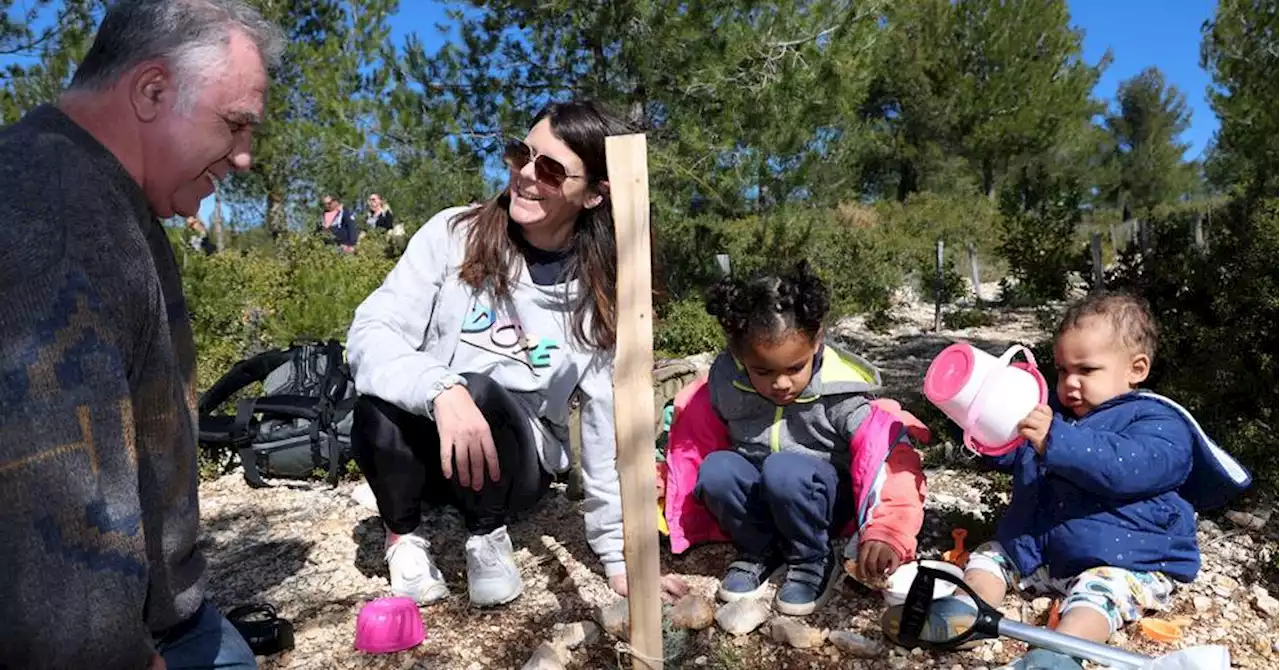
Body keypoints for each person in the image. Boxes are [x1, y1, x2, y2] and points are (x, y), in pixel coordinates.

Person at [0, 1, 282, 669]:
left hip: (162, 619)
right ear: (152, 91)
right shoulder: (58, 223)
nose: (244, 158)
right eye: (234, 124)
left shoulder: (97, 190)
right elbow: (53, 500)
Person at [346, 99, 689, 608]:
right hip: (433, 451)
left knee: (481, 390)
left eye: (551, 170)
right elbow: (372, 329)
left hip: (513, 468)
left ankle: (487, 537)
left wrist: (620, 558)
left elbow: (605, 428)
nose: (526, 175)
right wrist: (440, 389)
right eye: (520, 154)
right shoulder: (455, 234)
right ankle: (405, 538)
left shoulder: (599, 296)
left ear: (594, 195)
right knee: (379, 400)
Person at [883, 291, 1251, 670]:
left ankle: (1059, 651)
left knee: (1097, 596)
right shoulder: (1054, 415)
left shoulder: (1159, 424)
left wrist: (1055, 439)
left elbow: (1123, 467)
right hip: (1043, 550)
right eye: (1062, 370)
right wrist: (992, 430)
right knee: (990, 557)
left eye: (1086, 370)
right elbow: (1016, 456)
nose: (1070, 383)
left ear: (1136, 369)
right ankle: (967, 612)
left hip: (1124, 558)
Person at [667, 261, 927, 615]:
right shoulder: (725, 383)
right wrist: (660, 481)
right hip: (761, 500)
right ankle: (760, 549)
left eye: (794, 368)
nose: (781, 384)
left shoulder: (841, 394)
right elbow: (689, 445)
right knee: (716, 470)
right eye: (763, 371)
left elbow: (890, 459)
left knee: (784, 470)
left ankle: (812, 557)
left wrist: (888, 530)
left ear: (817, 341)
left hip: (818, 501)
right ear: (739, 354)